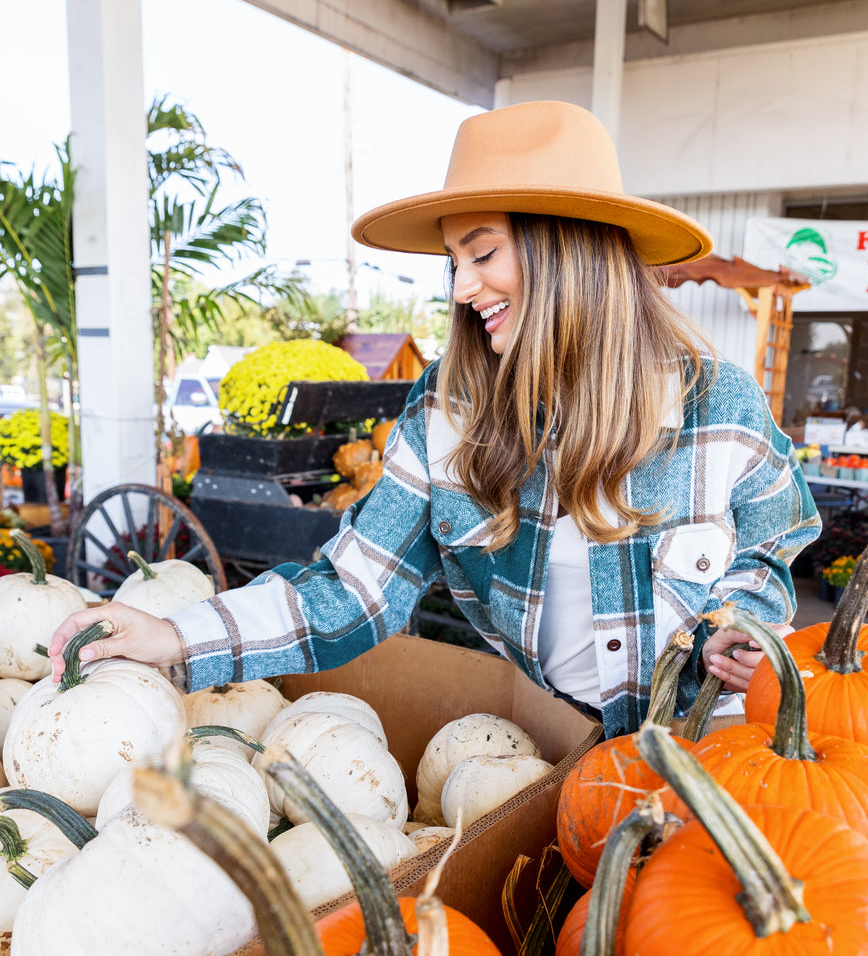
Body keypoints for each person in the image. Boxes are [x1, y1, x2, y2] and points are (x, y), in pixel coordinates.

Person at [49, 101, 821, 738]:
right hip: (559, 758)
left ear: (569, 251)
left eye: (482, 254)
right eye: (455, 260)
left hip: (712, 751)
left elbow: (774, 544)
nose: (461, 287)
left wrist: (745, 625)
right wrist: (176, 636)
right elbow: (352, 589)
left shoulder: (720, 406)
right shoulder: (448, 416)